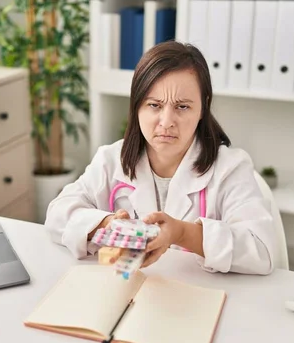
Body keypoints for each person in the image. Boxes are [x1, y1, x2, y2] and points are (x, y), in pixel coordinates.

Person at [44, 41, 276, 275]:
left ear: (203, 108)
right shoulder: (110, 160)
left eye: (182, 107)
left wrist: (182, 233)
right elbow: (56, 215)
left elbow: (262, 252)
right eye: (154, 105)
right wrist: (106, 225)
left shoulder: (231, 168)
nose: (166, 122)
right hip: (128, 288)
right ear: (136, 106)